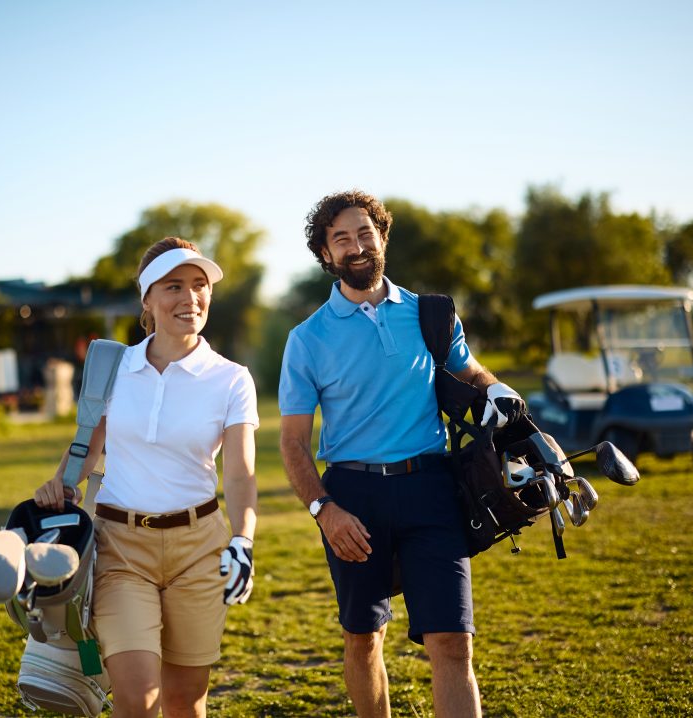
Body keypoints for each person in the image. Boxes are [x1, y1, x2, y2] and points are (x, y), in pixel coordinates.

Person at [278, 190, 526, 718]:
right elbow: (294, 443)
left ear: (382, 237)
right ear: (326, 255)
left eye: (365, 233)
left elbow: (470, 371)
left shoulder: (430, 315)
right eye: (341, 239)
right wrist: (324, 511)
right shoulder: (307, 339)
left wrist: (495, 389)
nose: (356, 246)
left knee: (453, 643)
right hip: (353, 498)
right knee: (363, 639)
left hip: (431, 490)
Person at [35, 237, 259, 718]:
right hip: (120, 549)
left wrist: (243, 540)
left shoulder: (232, 378)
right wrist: (57, 487)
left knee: (184, 700)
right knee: (137, 700)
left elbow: (240, 473)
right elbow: (85, 449)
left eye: (199, 285)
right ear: (147, 299)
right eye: (173, 286)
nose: (190, 297)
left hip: (200, 550)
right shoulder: (113, 368)